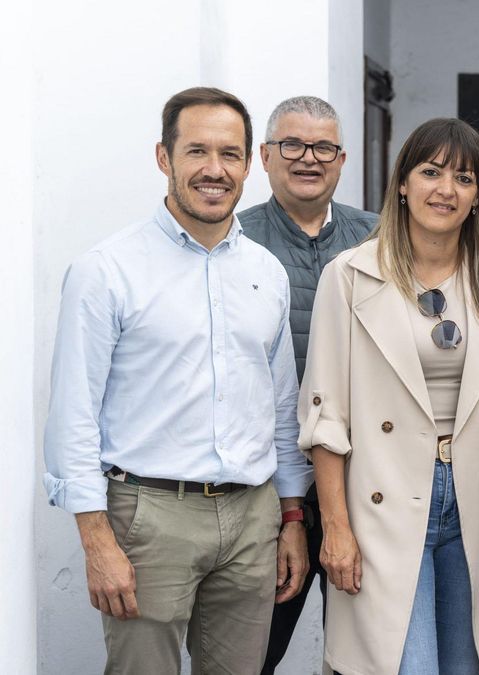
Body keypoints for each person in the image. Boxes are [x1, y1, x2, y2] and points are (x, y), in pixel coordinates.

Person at [42, 86, 312, 673]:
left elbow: (283, 408)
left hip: (252, 518)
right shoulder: (106, 271)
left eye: (230, 154)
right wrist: (96, 541)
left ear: (250, 163)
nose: (214, 170)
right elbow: (73, 416)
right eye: (197, 152)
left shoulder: (266, 272)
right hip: (148, 517)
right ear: (164, 158)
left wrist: (291, 518)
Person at [298, 118, 479, 674]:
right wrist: (335, 529)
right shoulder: (351, 276)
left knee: (466, 666)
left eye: (464, 178)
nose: (445, 190)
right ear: (402, 184)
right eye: (430, 172)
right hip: (384, 497)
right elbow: (325, 416)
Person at [237, 95, 377, 674]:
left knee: (365, 654)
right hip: (263, 491)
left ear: (342, 159)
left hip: (366, 481)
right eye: (292, 145)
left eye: (323, 147)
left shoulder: (380, 239)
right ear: (266, 157)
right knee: (248, 654)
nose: (307, 159)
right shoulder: (235, 242)